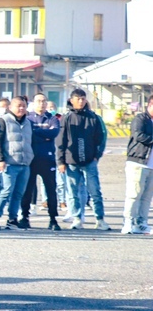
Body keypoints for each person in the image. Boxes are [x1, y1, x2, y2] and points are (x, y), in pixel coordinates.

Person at [56, 88, 109, 230]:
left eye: (83, 99)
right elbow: (61, 141)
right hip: (71, 161)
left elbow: (100, 138)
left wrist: (97, 156)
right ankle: (77, 218)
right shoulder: (66, 118)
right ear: (71, 100)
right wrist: (60, 161)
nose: (80, 101)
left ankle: (100, 219)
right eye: (78, 99)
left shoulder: (93, 118)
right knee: (73, 192)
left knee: (95, 191)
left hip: (90, 160)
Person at [0, 96, 33, 230]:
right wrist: (0, 160)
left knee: (19, 193)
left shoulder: (28, 123)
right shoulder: (3, 121)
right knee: (6, 191)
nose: (21, 108)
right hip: (9, 162)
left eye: (24, 106)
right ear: (10, 107)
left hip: (24, 163)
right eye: (18, 105)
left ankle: (12, 219)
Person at [22, 92, 61, 231]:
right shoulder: (28, 118)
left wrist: (37, 133)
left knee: (51, 190)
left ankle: (53, 219)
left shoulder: (53, 119)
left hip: (48, 159)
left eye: (44, 101)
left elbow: (53, 133)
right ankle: (25, 217)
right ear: (33, 103)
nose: (42, 103)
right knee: (27, 190)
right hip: (31, 160)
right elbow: (28, 134)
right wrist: (43, 135)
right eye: (39, 101)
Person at [121, 95, 153, 234]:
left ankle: (141, 223)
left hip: (151, 165)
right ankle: (128, 221)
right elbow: (138, 135)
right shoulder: (140, 119)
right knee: (134, 194)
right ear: (150, 104)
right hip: (138, 162)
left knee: (147, 196)